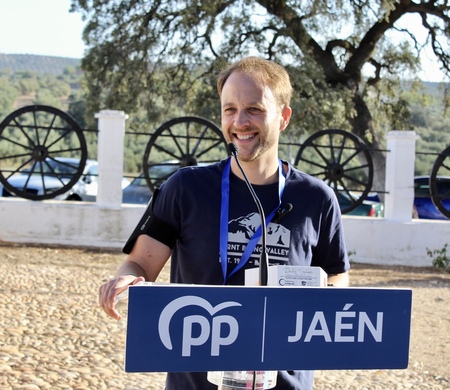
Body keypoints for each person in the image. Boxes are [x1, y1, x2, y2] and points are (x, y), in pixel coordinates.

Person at [99, 56, 350, 389]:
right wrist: (126, 280)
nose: (240, 122)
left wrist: (324, 298)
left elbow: (336, 274)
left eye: (255, 109)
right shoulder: (184, 187)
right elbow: (138, 263)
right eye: (229, 109)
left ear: (284, 117)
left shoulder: (317, 197)